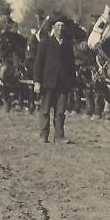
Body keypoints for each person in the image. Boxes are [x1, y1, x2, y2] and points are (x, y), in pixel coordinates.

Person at [33, 15, 77, 143]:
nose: (60, 28)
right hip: (48, 82)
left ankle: (59, 136)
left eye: (62, 26)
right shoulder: (45, 42)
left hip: (63, 82)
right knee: (45, 110)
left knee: (60, 112)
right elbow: (38, 63)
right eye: (58, 26)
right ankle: (43, 135)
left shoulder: (68, 45)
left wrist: (72, 83)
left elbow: (71, 65)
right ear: (53, 27)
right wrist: (37, 81)